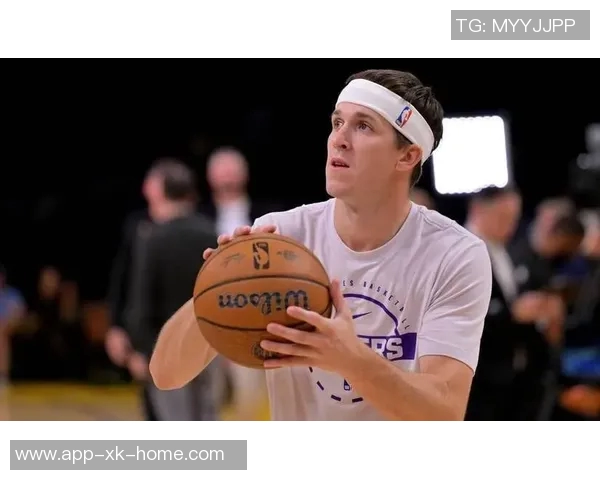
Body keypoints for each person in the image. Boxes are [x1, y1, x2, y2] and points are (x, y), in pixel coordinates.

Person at [150, 69, 493, 421]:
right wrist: (217, 285)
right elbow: (166, 374)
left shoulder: (455, 254)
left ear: (407, 157)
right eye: (337, 122)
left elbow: (444, 413)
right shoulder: (280, 237)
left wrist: (351, 359)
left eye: (363, 126)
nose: (339, 139)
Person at [127, 158, 223, 421]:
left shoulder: (153, 238)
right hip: (208, 346)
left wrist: (141, 350)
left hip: (166, 348)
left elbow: (142, 303)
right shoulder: (210, 233)